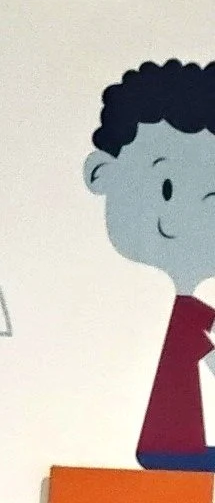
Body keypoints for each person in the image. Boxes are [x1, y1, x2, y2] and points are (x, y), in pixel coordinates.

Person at [84, 60, 215, 475]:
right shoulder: (148, 307)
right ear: (101, 174)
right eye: (167, 188)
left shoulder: (186, 309)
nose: (196, 215)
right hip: (167, 447)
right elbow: (203, 349)